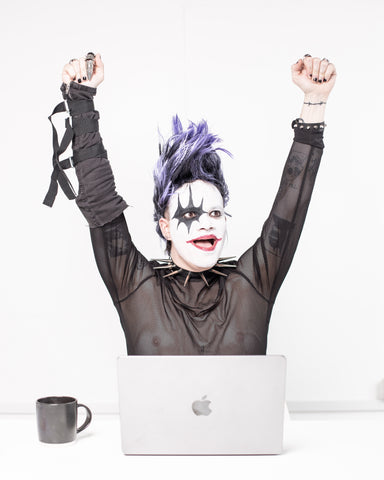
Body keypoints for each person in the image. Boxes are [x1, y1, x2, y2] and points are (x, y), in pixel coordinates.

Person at [48, 53, 336, 355]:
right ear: (166, 226)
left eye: (215, 212)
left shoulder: (251, 283)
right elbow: (101, 202)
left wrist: (315, 102)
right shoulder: (136, 285)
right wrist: (81, 103)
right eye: (189, 213)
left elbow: (289, 209)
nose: (207, 221)